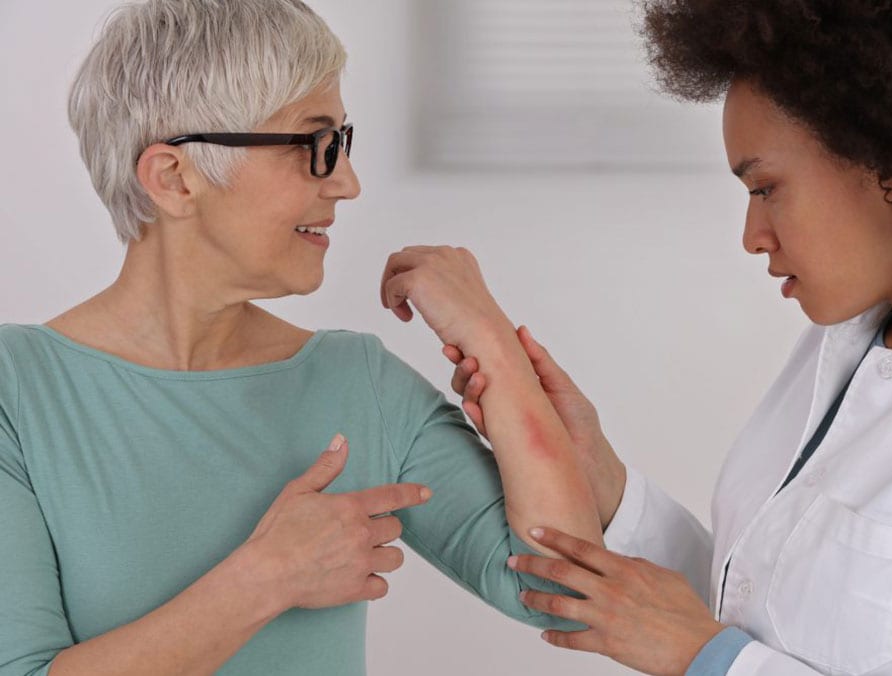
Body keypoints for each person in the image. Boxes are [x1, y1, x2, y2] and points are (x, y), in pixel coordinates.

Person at [443, 1, 892, 674]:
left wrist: (709, 661)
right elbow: (754, 607)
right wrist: (604, 481)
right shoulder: (846, 347)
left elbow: (719, 647)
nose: (752, 237)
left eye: (765, 189)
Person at [0, 1, 601, 674]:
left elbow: (564, 591)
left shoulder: (357, 382)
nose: (347, 182)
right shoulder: (16, 393)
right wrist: (266, 578)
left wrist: (492, 342)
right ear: (175, 179)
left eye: (344, 142)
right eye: (315, 146)